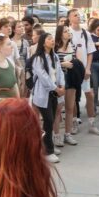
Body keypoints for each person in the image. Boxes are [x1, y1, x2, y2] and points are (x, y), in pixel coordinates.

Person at [30, 31, 65, 163]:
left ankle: (48, 145)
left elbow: (60, 71)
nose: (52, 41)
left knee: (51, 119)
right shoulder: (38, 58)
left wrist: (62, 85)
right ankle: (47, 151)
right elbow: (43, 76)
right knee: (48, 120)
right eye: (49, 39)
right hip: (43, 93)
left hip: (54, 93)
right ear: (43, 42)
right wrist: (55, 88)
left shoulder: (54, 56)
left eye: (52, 39)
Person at [68, 8, 99, 136]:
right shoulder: (67, 32)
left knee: (90, 95)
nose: (78, 17)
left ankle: (92, 124)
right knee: (72, 98)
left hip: (84, 71)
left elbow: (90, 53)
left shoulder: (85, 33)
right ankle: (74, 123)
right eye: (75, 15)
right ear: (70, 18)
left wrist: (88, 68)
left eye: (79, 15)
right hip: (71, 70)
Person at [55, 24, 81, 147]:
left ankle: (68, 134)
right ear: (60, 34)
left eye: (68, 31)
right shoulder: (54, 47)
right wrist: (62, 64)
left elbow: (76, 61)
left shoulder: (73, 46)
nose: (68, 33)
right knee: (58, 109)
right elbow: (51, 65)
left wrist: (73, 64)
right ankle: (56, 136)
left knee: (70, 107)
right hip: (59, 80)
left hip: (71, 78)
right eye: (65, 31)